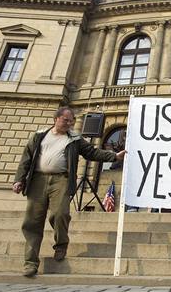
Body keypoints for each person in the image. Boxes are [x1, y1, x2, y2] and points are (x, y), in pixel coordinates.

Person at [12, 106, 126, 277]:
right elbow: (25, 159)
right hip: (37, 180)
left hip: (62, 180)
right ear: (56, 119)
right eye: (66, 120)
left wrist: (114, 156)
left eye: (71, 120)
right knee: (32, 221)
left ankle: (61, 244)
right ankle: (30, 262)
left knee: (60, 214)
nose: (70, 123)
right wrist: (19, 179)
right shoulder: (39, 136)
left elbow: (92, 152)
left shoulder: (74, 139)